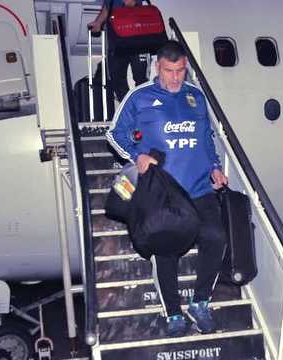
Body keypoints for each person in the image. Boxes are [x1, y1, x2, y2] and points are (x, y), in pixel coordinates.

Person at [105, 40, 228, 337]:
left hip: (199, 187)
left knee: (216, 237)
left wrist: (214, 166)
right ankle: (173, 313)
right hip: (163, 191)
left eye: (181, 71)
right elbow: (114, 134)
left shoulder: (196, 97)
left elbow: (206, 138)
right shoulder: (140, 97)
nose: (175, 77)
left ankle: (200, 303)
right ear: (156, 67)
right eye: (169, 71)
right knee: (166, 250)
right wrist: (137, 156)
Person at [88, 0, 149, 102]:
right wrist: (98, 22)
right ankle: (129, 107)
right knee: (116, 78)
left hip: (137, 36)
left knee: (140, 78)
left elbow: (130, 3)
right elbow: (108, 6)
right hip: (117, 38)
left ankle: (142, 108)